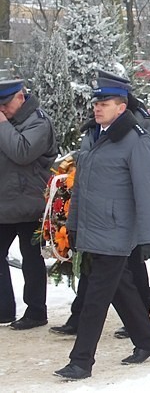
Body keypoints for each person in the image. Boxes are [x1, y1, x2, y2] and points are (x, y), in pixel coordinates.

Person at [55, 78, 150, 380]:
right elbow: (82, 189)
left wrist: (146, 238)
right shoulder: (92, 136)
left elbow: (147, 191)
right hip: (93, 229)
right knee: (120, 289)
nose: (97, 107)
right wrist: (73, 226)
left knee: (95, 300)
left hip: (116, 231)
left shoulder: (135, 139)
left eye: (104, 103)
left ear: (121, 107)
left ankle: (81, 361)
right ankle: (148, 340)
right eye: (96, 103)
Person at [0, 79, 57, 330]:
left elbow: (23, 152)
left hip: (31, 202)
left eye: (5, 104)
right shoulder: (8, 121)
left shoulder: (38, 121)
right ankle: (3, 310)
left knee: (32, 259)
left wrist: (2, 125)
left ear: (20, 98)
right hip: (5, 201)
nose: (2, 110)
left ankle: (36, 311)